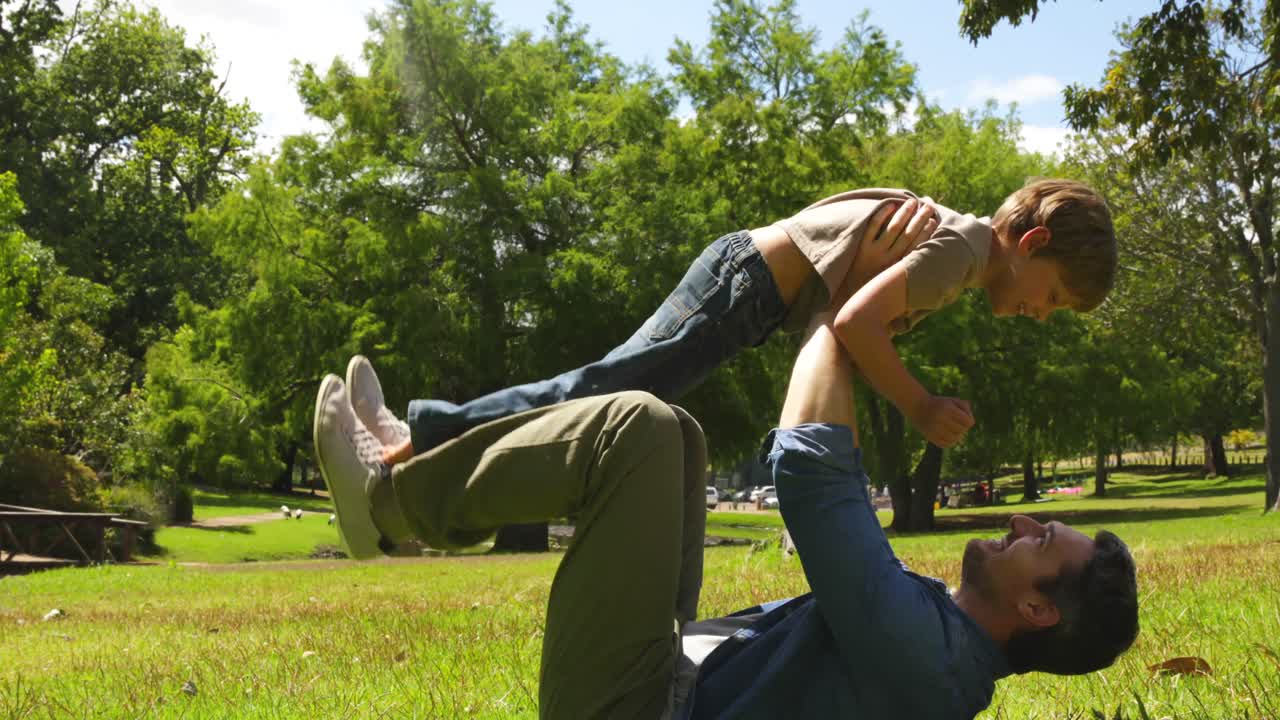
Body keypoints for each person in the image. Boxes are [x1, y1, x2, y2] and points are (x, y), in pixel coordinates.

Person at [312, 320, 1139, 718]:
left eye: (1044, 542)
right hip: (668, 679)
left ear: (1036, 610)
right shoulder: (939, 645)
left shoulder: (930, 659)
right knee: (675, 436)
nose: (1027, 523)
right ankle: (410, 458)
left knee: (632, 429)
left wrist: (845, 318)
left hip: (636, 712)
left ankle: (390, 507)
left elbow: (812, 479)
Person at [370, 178, 1115, 467]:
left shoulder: (954, 242)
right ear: (1033, 245)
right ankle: (411, 440)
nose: (1035, 315)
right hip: (743, 286)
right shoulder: (961, 252)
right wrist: (919, 404)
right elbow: (856, 323)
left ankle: (409, 440)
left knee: (606, 393)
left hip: (746, 287)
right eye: (1048, 299)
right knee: (600, 391)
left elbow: (840, 302)